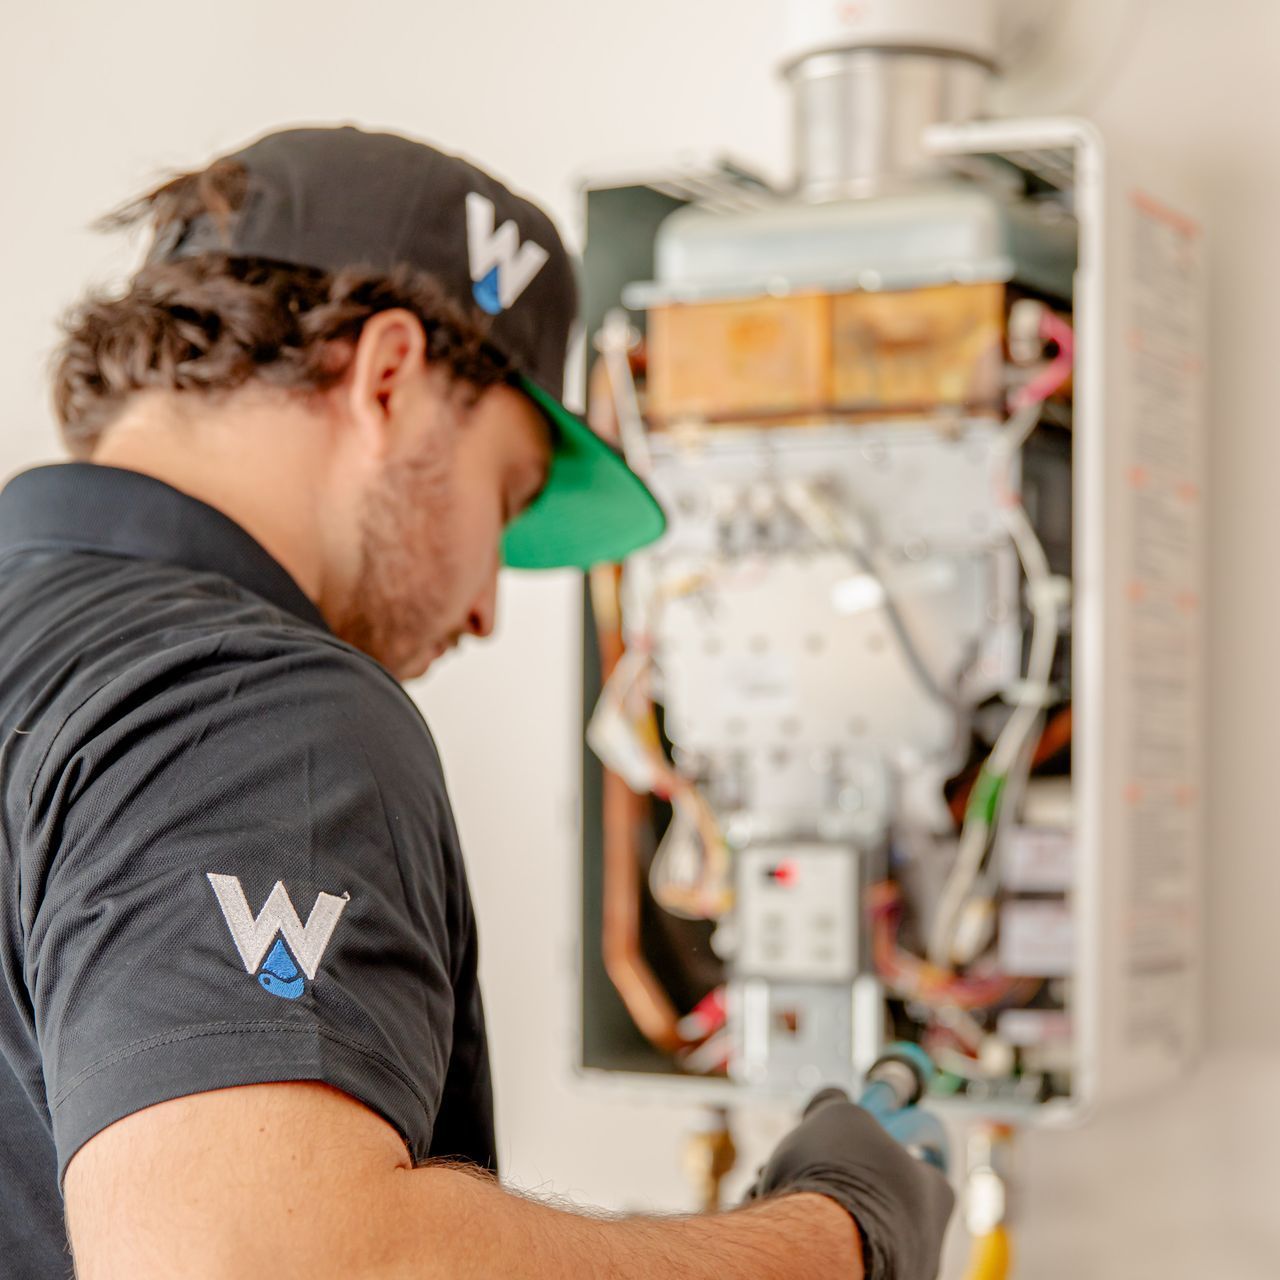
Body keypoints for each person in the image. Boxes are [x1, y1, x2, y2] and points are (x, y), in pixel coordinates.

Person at [0, 125, 952, 1279]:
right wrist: (842, 1236)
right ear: (388, 375)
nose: (491, 606)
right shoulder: (251, 707)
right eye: (504, 497)